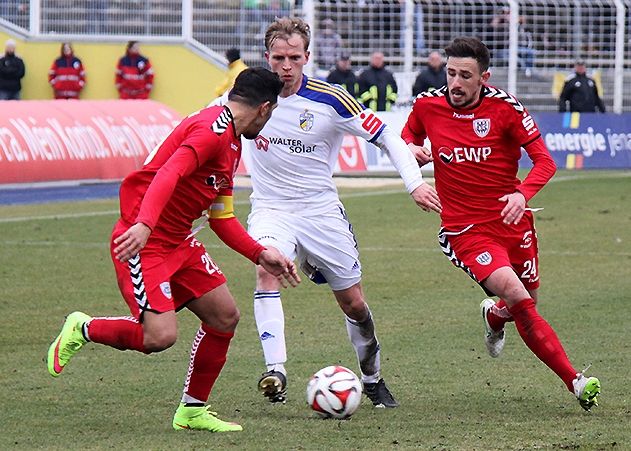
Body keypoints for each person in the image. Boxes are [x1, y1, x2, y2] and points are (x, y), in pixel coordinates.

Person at [46, 68, 300, 432]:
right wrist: (145, 224)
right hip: (143, 240)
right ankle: (84, 327)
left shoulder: (232, 143)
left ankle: (192, 411)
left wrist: (261, 254)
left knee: (224, 316)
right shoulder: (211, 130)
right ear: (264, 108)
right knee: (159, 337)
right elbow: (169, 173)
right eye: (272, 113)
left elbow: (222, 218)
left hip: (179, 241)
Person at [236, 17, 441, 407]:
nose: (286, 66)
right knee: (266, 268)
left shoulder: (331, 99)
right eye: (278, 57)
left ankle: (373, 378)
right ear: (267, 57)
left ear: (307, 57)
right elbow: (204, 125)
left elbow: (386, 137)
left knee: (354, 304)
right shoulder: (248, 94)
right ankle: (275, 371)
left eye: (294, 57)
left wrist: (414, 182)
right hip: (271, 209)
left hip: (321, 212)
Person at [401, 37, 601, 412]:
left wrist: (522, 194)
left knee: (525, 304)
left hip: (513, 222)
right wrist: (411, 150)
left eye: (465, 76)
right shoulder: (428, 104)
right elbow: (407, 137)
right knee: (518, 295)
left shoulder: (506, 108)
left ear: (484, 78)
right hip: (465, 230)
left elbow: (544, 161)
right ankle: (576, 380)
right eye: (451, 73)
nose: (455, 83)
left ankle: (494, 315)